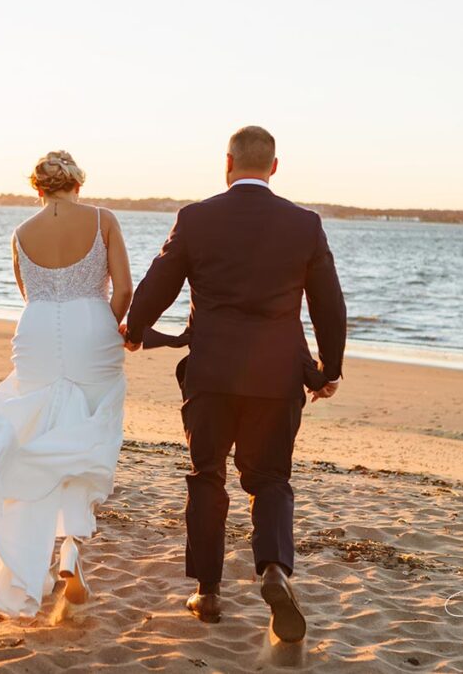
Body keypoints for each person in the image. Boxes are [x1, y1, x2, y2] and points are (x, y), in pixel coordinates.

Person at [121, 126, 347, 642]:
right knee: (269, 478)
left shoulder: (195, 218)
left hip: (212, 374)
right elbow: (329, 306)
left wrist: (136, 331)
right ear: (274, 167)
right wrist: (329, 370)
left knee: (207, 475)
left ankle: (208, 591)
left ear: (227, 163)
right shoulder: (305, 225)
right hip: (276, 377)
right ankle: (273, 570)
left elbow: (159, 282)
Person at [0, 151, 133, 617]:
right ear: (78, 184)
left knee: (38, 433)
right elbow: (126, 290)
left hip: (34, 333)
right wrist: (101, 327)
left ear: (38, 189)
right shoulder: (102, 219)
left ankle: (43, 557)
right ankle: (71, 549)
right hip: (92, 328)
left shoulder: (20, 233)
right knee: (88, 434)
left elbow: (27, 291)